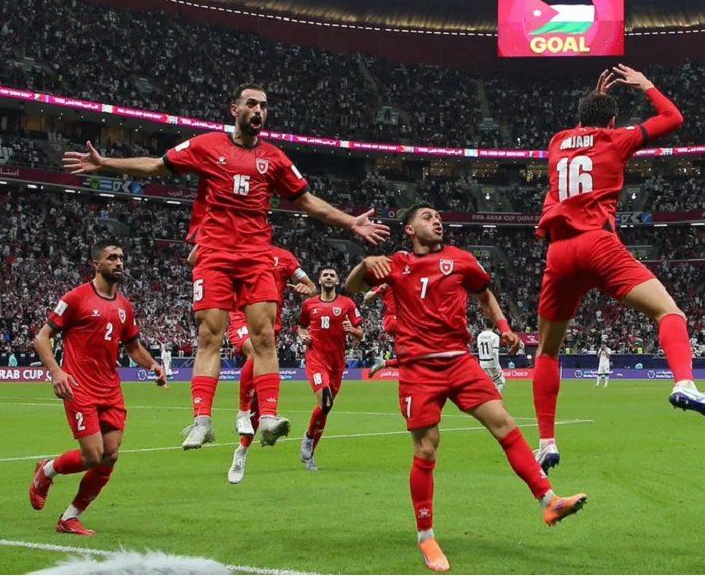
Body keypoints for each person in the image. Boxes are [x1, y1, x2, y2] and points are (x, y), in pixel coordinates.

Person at [63, 83, 390, 450]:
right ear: (235, 109)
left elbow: (308, 201)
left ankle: (267, 416)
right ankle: (202, 420)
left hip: (256, 254)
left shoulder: (275, 159)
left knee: (265, 335)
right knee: (209, 336)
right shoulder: (206, 146)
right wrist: (106, 163)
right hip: (215, 252)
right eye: (252, 104)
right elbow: (159, 166)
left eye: (264, 106)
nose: (259, 111)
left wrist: (351, 223)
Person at [346, 203, 586, 573]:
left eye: (437, 216)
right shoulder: (395, 263)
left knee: (504, 422)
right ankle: (426, 536)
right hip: (418, 368)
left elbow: (484, 293)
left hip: (460, 360)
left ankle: (549, 500)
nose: (436, 220)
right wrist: (364, 265)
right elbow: (351, 291)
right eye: (426, 217)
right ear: (409, 230)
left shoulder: (462, 260)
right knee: (426, 450)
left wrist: (504, 326)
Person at [531, 65, 705, 473]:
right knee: (668, 312)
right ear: (610, 121)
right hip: (598, 244)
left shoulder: (557, 141)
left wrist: (594, 103)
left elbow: (581, 133)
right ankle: (684, 384)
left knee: (546, 351)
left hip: (558, 253)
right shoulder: (616, 137)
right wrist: (646, 86)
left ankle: (547, 443)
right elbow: (673, 118)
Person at [28, 239, 166, 536]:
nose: (119, 262)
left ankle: (69, 517)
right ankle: (47, 470)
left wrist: (153, 365)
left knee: (110, 454)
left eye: (121, 258)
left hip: (110, 389)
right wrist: (56, 372)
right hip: (80, 388)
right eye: (112, 257)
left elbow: (133, 346)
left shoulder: (124, 306)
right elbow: (41, 337)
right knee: (92, 455)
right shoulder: (76, 298)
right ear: (97, 264)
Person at [210, 243, 313, 482]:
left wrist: (305, 287)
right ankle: (242, 412)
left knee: (260, 402)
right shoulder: (234, 252)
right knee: (254, 352)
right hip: (239, 315)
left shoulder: (284, 257)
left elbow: (311, 286)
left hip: (269, 326)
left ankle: (241, 452)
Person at [297, 267, 363, 471]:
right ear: (319, 279)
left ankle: (310, 455)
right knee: (325, 401)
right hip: (316, 360)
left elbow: (360, 332)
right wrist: (302, 336)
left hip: (336, 364)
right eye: (325, 275)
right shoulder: (309, 304)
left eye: (332, 275)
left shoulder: (347, 304)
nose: (328, 277)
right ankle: (308, 437)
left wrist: (353, 331)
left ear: (337, 281)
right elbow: (301, 326)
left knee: (326, 408)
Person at [475, 325, 505, 394]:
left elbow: (479, 349)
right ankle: (495, 399)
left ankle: (486, 398)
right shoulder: (495, 336)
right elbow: (494, 352)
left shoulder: (479, 335)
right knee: (500, 382)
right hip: (492, 362)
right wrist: (497, 364)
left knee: (488, 383)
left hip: (482, 363)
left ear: (485, 325)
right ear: (494, 325)